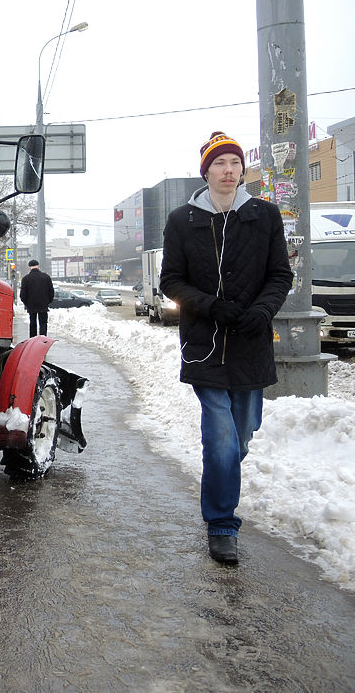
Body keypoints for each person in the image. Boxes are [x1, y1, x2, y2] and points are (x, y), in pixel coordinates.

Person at [159, 131, 292, 565]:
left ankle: (221, 486)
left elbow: (279, 276)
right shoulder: (183, 220)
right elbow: (171, 281)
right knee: (220, 439)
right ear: (206, 171)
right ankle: (221, 524)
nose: (229, 170)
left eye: (235, 162)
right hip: (205, 344)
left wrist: (263, 311)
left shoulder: (264, 215)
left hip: (252, 344)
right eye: (220, 163)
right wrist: (211, 306)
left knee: (240, 439)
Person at [19, 259, 54, 338]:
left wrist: (26, 303)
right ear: (38, 266)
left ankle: (33, 340)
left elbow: (23, 294)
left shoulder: (25, 279)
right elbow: (51, 291)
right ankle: (43, 339)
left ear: (29, 267)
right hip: (43, 304)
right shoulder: (46, 277)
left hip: (31, 305)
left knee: (32, 323)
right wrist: (47, 301)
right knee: (43, 323)